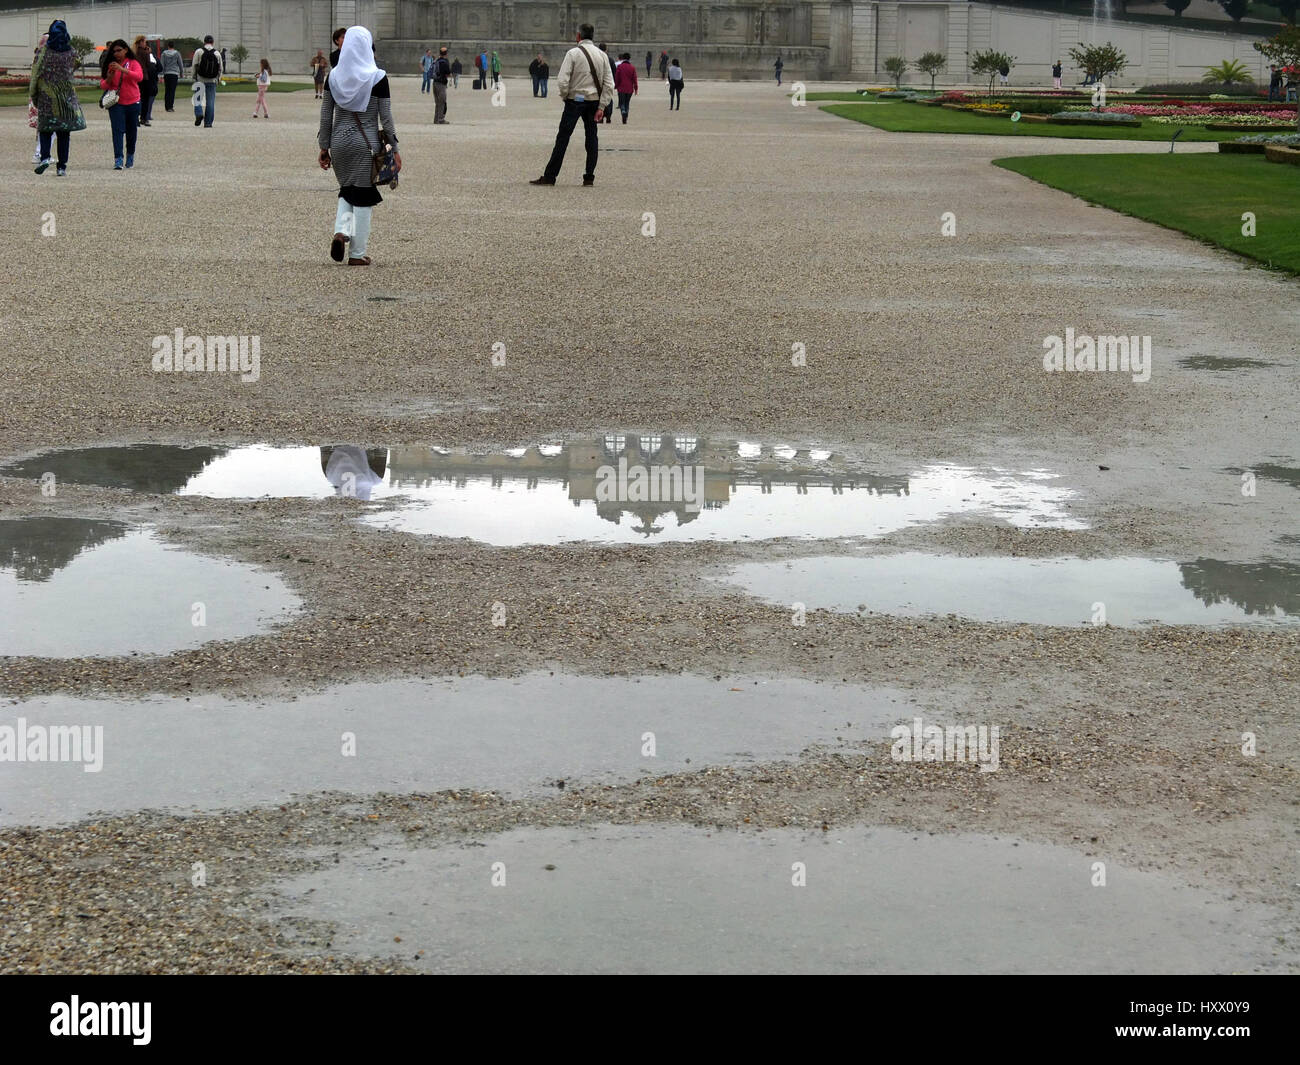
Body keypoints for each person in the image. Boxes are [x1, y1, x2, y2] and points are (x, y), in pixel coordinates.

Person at [318, 26, 399, 266]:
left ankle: (342, 231)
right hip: (366, 144)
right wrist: (394, 148)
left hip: (340, 142)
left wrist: (324, 146)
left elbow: (325, 116)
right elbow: (386, 117)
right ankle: (357, 253)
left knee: (348, 190)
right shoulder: (378, 78)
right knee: (363, 196)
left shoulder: (333, 77)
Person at [529, 23, 614, 187]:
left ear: (578, 36)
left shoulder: (573, 53)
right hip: (594, 102)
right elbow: (609, 84)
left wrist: (565, 96)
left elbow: (562, 80)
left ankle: (550, 176)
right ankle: (589, 177)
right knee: (592, 138)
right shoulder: (602, 56)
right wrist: (602, 106)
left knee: (563, 138)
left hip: (575, 101)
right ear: (592, 36)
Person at [29, 20, 85, 176]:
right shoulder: (72, 52)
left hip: (47, 96)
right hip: (66, 98)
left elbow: (35, 76)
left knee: (45, 129)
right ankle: (62, 167)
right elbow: (76, 64)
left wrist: (34, 95)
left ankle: (45, 157)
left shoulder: (43, 52)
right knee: (64, 134)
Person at [100, 39, 142, 169]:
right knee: (117, 131)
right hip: (117, 103)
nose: (116, 53)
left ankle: (130, 155)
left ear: (126, 50)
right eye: (114, 51)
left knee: (131, 131)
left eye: (119, 50)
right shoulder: (110, 64)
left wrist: (122, 69)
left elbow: (139, 77)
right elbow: (103, 85)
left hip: (133, 101)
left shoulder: (133, 63)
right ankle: (118, 158)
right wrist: (109, 77)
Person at [192, 34, 223, 126]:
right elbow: (220, 68)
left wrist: (194, 77)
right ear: (212, 42)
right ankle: (208, 123)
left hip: (200, 79)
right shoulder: (217, 53)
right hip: (212, 80)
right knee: (210, 102)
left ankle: (199, 113)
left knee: (197, 99)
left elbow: (194, 65)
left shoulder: (199, 51)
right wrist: (218, 79)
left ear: (204, 42)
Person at [134, 36, 159, 125]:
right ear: (141, 42)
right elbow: (148, 64)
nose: (145, 44)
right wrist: (149, 53)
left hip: (136, 76)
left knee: (137, 98)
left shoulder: (135, 52)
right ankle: (144, 118)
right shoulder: (144, 53)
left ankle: (135, 118)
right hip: (144, 77)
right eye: (144, 42)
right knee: (145, 98)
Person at [160, 41, 184, 111]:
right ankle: (170, 106)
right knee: (172, 91)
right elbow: (180, 64)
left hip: (167, 74)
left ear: (168, 46)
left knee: (167, 90)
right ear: (173, 46)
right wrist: (181, 73)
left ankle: (166, 106)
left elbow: (162, 64)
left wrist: (161, 74)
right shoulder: (177, 53)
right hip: (174, 74)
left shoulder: (164, 53)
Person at [614, 51, 637, 124]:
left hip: (621, 88)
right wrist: (636, 88)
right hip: (629, 89)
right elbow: (634, 79)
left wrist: (616, 85)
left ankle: (623, 111)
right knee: (627, 103)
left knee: (621, 103)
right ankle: (626, 114)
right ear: (629, 58)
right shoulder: (632, 68)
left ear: (623, 58)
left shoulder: (620, 67)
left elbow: (617, 77)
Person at [432, 46, 450, 123]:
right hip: (441, 84)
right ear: (446, 54)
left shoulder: (436, 61)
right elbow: (448, 73)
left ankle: (436, 119)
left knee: (437, 102)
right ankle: (441, 119)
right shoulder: (444, 62)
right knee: (442, 101)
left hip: (434, 83)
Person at [600, 44, 613, 121]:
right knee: (608, 99)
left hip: (599, 83)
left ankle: (600, 117)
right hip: (608, 82)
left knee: (599, 100)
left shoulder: (595, 58)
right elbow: (614, 72)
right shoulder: (610, 59)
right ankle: (608, 116)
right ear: (606, 49)